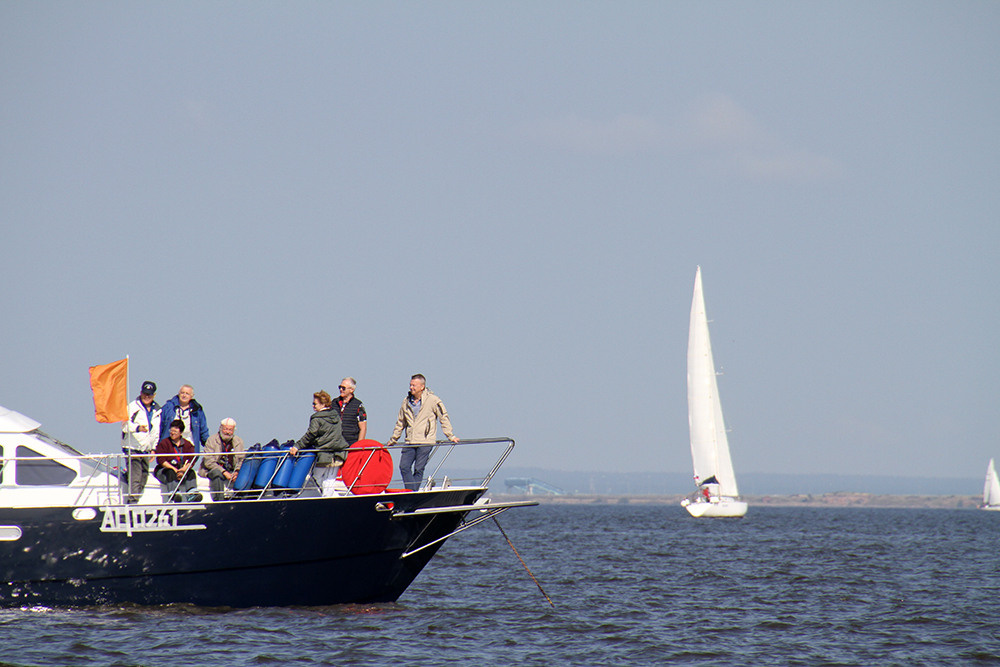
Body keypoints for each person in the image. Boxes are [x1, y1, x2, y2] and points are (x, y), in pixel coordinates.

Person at [386, 374, 459, 491]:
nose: (411, 387)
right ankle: (412, 492)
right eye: (410, 385)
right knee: (404, 467)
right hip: (410, 441)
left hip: (426, 441)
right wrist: (393, 439)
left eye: (414, 385)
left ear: (422, 386)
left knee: (419, 469)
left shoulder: (433, 400)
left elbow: (443, 417)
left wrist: (450, 436)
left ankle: (411, 493)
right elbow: (400, 422)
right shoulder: (406, 402)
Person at [289, 390, 349, 497]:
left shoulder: (317, 418)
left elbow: (311, 434)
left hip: (325, 454)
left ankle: (327, 501)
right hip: (338, 453)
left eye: (315, 403)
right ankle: (334, 499)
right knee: (329, 480)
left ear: (323, 404)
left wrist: (297, 446)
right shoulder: (336, 416)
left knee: (316, 478)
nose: (313, 406)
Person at [121, 380, 162, 504]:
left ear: (154, 395)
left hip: (145, 449)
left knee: (144, 476)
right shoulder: (132, 407)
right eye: (145, 394)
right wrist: (138, 428)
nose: (147, 397)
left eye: (149, 394)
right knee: (136, 476)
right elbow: (124, 426)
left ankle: (135, 495)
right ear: (140, 393)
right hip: (132, 447)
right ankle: (132, 500)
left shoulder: (157, 410)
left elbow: (156, 432)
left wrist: (154, 448)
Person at [154, 418, 201, 502]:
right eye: (171, 431)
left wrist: (184, 470)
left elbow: (192, 459)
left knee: (191, 472)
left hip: (182, 470)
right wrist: (175, 470)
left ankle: (192, 493)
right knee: (170, 472)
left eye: (175, 432)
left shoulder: (187, 444)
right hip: (166, 470)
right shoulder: (164, 443)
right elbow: (161, 460)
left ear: (181, 433)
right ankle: (174, 494)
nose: (172, 433)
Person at [199, 417, 245, 501]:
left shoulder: (239, 441)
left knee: (245, 474)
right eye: (225, 429)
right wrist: (224, 472)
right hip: (212, 469)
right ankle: (219, 500)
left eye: (230, 430)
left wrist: (237, 471)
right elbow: (208, 461)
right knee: (217, 474)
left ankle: (241, 499)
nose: (227, 432)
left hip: (231, 469)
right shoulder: (211, 440)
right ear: (220, 428)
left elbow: (241, 459)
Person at [160, 384, 210, 453]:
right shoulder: (168, 407)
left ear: (192, 396)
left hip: (189, 448)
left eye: (187, 394)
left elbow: (203, 431)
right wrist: (156, 447)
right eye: (182, 393)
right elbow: (160, 426)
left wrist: (210, 447)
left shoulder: (197, 410)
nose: (184, 395)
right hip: (169, 447)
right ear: (179, 393)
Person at [335, 377, 367, 445]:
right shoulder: (334, 403)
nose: (341, 389)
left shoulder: (358, 405)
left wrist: (358, 446)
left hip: (351, 444)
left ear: (351, 390)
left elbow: (363, 428)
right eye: (340, 387)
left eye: (343, 388)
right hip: (335, 444)